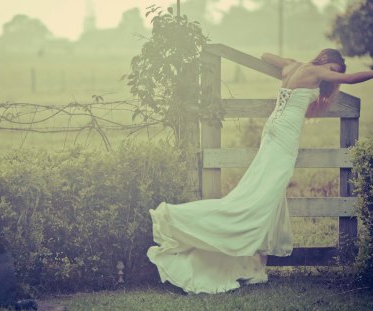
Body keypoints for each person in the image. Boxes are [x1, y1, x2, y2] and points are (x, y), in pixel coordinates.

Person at [146, 48, 373, 295]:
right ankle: (178, 218)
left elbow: (265, 56)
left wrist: (285, 65)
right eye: (333, 70)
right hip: (284, 136)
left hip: (273, 130)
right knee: (259, 199)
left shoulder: (292, 65)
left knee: (268, 196)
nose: (332, 76)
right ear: (326, 60)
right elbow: (350, 79)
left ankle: (256, 267)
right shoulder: (315, 71)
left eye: (335, 74)